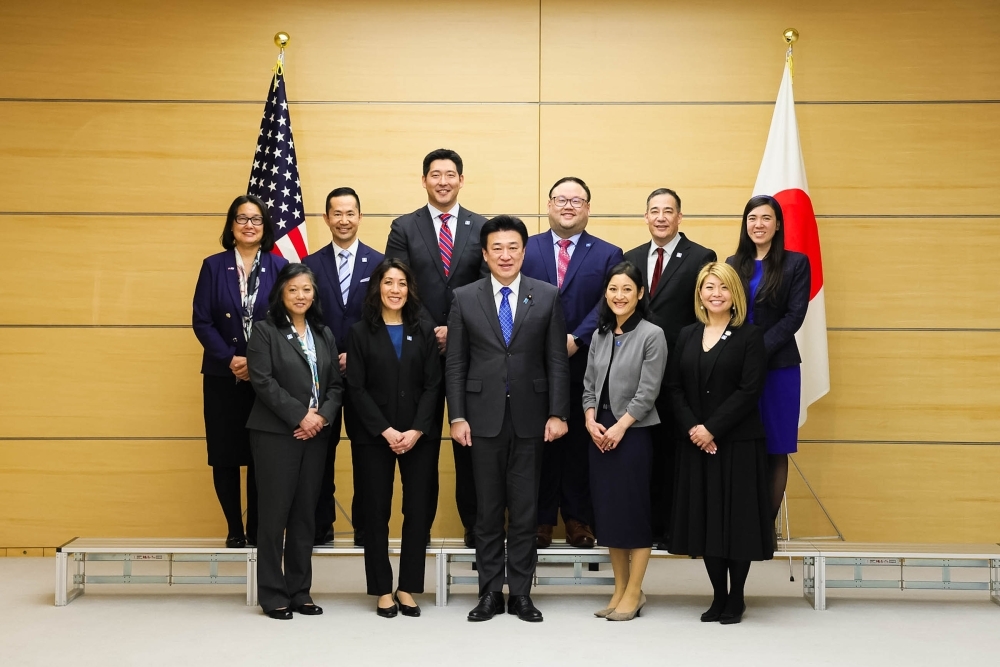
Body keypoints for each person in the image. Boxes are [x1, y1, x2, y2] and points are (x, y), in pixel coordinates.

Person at [446, 215, 570, 623]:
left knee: (525, 510)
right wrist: (457, 416)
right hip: (480, 420)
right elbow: (457, 362)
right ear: (484, 253)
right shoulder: (465, 297)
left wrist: (557, 412)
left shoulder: (547, 295)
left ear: (524, 251)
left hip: (532, 420)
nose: (505, 255)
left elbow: (556, 360)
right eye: (496, 248)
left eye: (513, 247)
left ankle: (520, 593)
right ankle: (488, 593)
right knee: (487, 511)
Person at [385, 148, 488, 548]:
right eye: (435, 174)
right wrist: (434, 330)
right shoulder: (404, 227)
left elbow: (486, 286)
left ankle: (476, 528)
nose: (442, 181)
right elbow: (397, 285)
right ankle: (419, 531)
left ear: (462, 180)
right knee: (421, 446)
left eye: (450, 174)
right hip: (418, 353)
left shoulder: (481, 226)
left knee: (470, 443)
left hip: (471, 355)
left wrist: (456, 330)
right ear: (424, 180)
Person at [667, 262, 773, 625]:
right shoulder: (686, 334)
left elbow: (749, 390)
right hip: (696, 443)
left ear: (735, 295)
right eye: (709, 287)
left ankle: (737, 596)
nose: (716, 294)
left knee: (736, 523)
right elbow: (673, 388)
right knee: (707, 521)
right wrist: (695, 429)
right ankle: (718, 596)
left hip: (737, 443)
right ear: (699, 294)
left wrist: (712, 428)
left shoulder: (750, 336)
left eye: (723, 288)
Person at [521, 176, 623, 549]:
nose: (568, 206)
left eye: (576, 200)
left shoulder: (609, 253)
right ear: (548, 205)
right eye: (560, 199)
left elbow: (610, 301)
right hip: (532, 362)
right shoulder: (526, 249)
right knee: (539, 442)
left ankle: (579, 519)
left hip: (587, 361)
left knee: (580, 441)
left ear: (588, 208)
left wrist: (576, 338)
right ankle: (541, 520)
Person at [246, 263, 343, 620]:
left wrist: (320, 418)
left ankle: (300, 591)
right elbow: (263, 381)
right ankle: (273, 594)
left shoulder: (324, 333)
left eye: (306, 289)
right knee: (274, 516)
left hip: (315, 434)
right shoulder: (264, 331)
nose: (300, 296)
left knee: (305, 514)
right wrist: (300, 415)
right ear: (281, 294)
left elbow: (335, 385)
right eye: (293, 290)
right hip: (276, 435)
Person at [192, 194, 288, 549]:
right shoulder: (213, 266)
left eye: (256, 219)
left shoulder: (280, 268)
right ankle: (234, 528)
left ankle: (259, 529)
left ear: (265, 228)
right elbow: (201, 320)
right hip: (223, 375)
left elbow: (287, 320)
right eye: (242, 218)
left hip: (267, 377)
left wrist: (258, 363)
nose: (249, 225)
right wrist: (230, 358)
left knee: (262, 455)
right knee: (226, 453)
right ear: (231, 226)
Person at [623, 188, 716, 550]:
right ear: (645, 217)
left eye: (668, 211)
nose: (661, 217)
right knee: (642, 451)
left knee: (674, 453)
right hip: (639, 369)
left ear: (680, 218)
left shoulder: (700, 256)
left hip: (681, 371)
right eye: (654, 211)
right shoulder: (630, 257)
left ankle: (672, 530)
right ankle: (643, 527)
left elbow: (704, 310)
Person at [347, 258, 441, 618]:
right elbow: (355, 387)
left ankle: (407, 588)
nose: (395, 290)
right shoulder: (359, 332)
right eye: (388, 282)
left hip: (421, 435)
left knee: (418, 511)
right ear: (377, 288)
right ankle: (382, 589)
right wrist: (385, 430)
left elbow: (434, 385)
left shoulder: (425, 328)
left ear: (410, 289)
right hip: (374, 436)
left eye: (402, 283)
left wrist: (417, 429)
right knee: (375, 511)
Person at [583, 261, 667, 621]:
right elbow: (588, 383)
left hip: (632, 434)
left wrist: (620, 427)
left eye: (627, 290)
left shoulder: (652, 334)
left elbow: (648, 392)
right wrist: (589, 419)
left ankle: (635, 591)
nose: (619, 296)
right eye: (614, 289)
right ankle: (618, 588)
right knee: (610, 514)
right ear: (606, 293)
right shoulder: (600, 334)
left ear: (640, 294)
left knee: (634, 514)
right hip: (598, 432)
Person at [303, 187, 384, 547]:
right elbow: (303, 316)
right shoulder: (310, 264)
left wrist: (358, 352)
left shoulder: (381, 263)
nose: (344, 220)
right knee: (321, 452)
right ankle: (322, 526)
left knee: (367, 454)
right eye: (337, 213)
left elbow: (386, 317)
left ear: (360, 217)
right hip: (321, 375)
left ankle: (366, 529)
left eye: (350, 213)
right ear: (326, 218)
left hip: (366, 374)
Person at [727, 195, 810, 525]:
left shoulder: (795, 263)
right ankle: (741, 522)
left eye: (765, 218)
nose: (758, 225)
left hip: (778, 369)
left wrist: (757, 350)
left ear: (778, 225)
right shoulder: (733, 263)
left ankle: (765, 527)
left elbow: (794, 316)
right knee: (741, 445)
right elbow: (723, 310)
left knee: (775, 446)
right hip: (736, 368)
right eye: (752, 218)